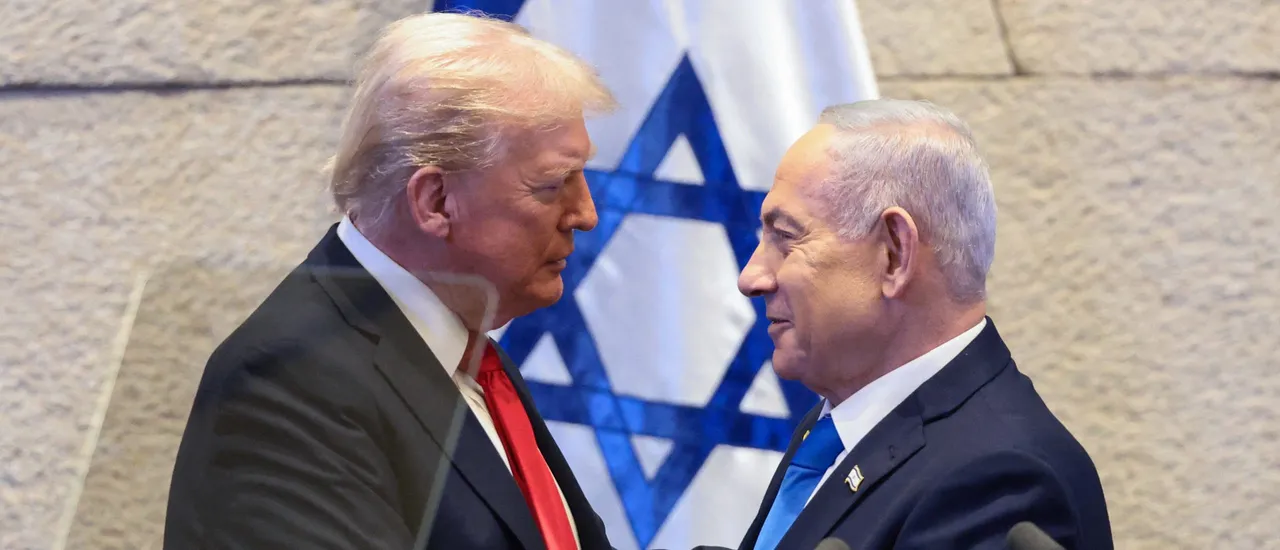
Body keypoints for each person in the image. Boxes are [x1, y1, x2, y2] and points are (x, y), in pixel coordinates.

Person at [164, 11, 617, 550]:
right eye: (553, 184)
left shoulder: (461, 353)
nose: (585, 213)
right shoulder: (287, 382)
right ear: (436, 201)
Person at [732, 100, 1112, 550]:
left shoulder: (1000, 481)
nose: (751, 278)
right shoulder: (840, 426)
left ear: (894, 254)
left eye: (786, 238)